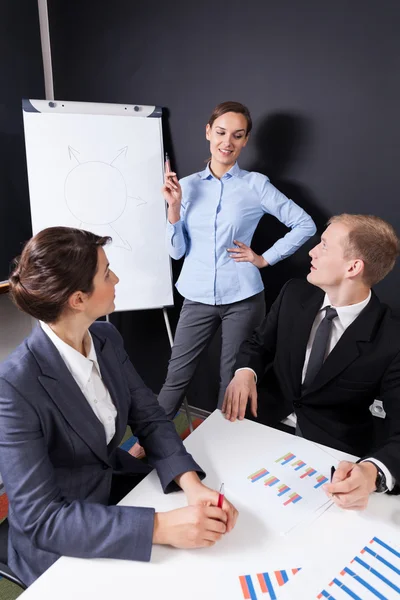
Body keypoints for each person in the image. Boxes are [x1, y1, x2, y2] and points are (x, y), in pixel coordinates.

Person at [0, 227, 238, 587]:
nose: (117, 279)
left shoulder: (106, 338)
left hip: (116, 488)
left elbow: (150, 417)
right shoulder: (14, 386)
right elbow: (41, 519)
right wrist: (159, 527)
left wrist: (190, 484)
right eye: (107, 273)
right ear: (78, 299)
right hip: (62, 536)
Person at [132, 101, 315, 460]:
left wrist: (264, 258)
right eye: (220, 132)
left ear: (246, 141)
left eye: (237, 135)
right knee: (175, 379)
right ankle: (140, 448)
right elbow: (177, 251)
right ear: (207, 132)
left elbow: (304, 224)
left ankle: (219, 454)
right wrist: (173, 209)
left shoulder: (255, 185)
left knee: (231, 383)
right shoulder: (184, 187)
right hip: (196, 295)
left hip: (243, 297)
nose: (227, 142)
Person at [223, 213, 400, 510]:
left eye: (324, 246)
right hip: (261, 425)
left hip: (331, 452)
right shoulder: (294, 292)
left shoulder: (392, 339)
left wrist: (372, 473)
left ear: (353, 267)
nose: (312, 251)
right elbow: (259, 344)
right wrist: (245, 372)